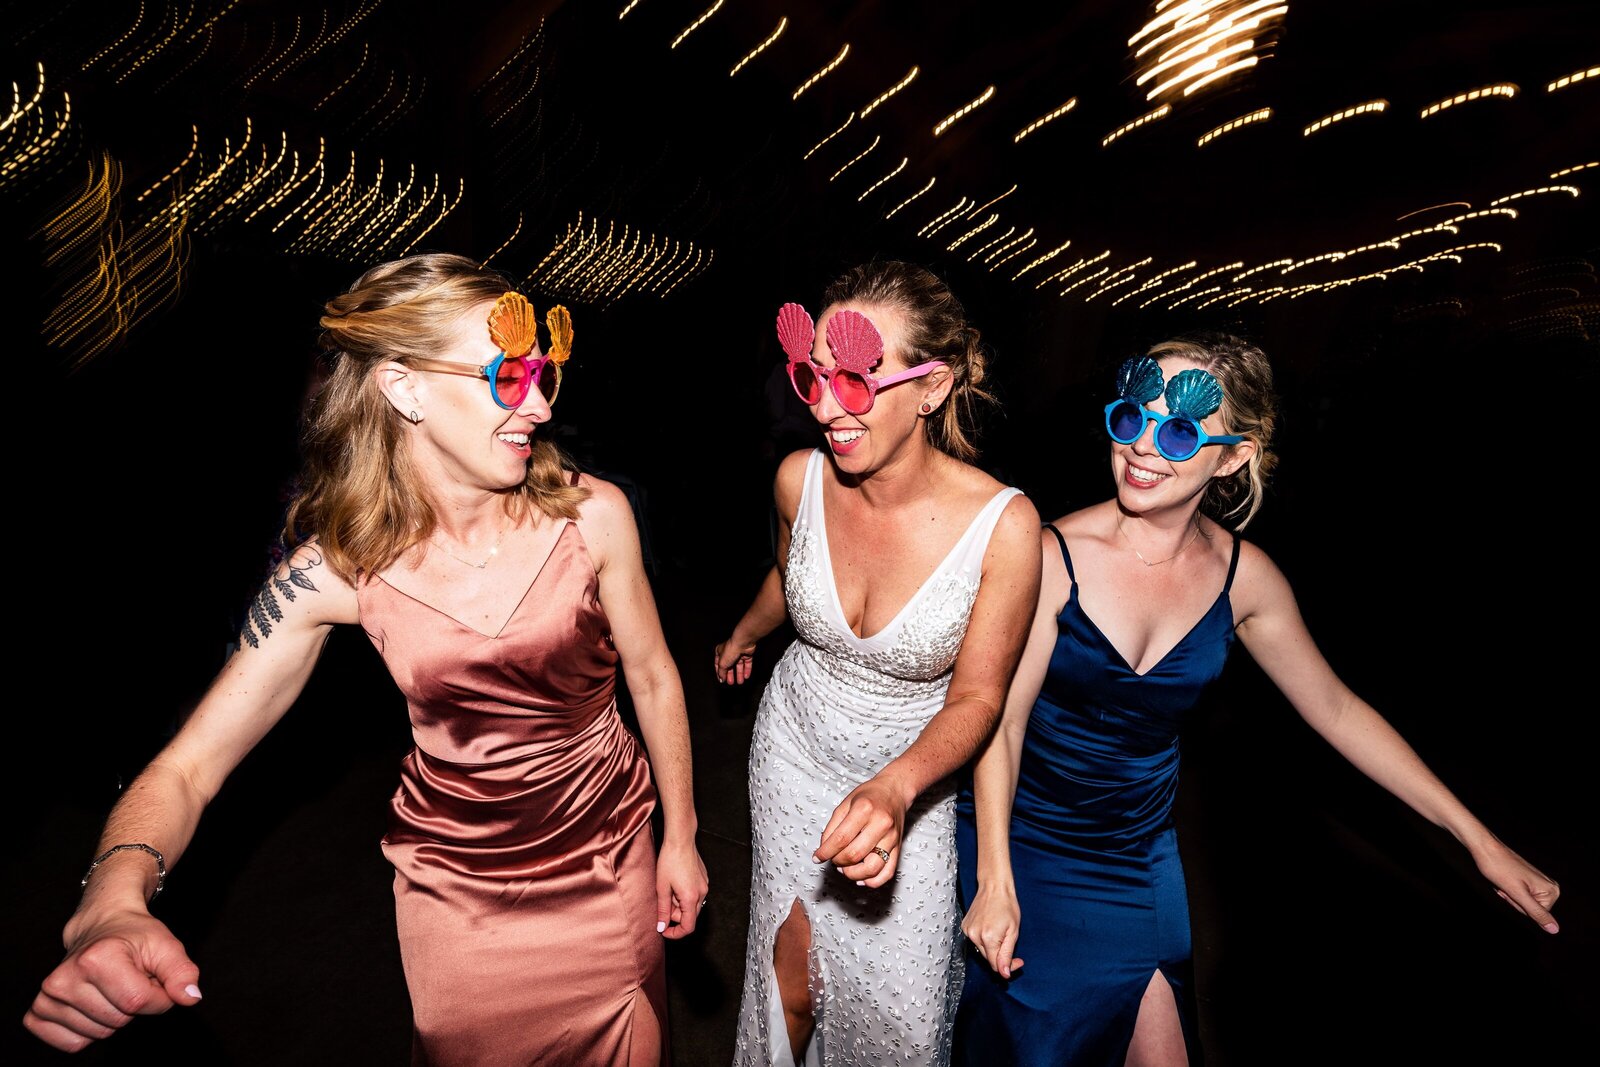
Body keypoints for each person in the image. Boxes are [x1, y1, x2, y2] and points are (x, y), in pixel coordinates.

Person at [23, 253, 708, 1066]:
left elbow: (655, 674)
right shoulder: (332, 573)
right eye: (505, 376)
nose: (536, 403)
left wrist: (682, 833)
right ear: (403, 388)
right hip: (463, 901)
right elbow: (189, 765)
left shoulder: (594, 515)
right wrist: (110, 898)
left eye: (543, 374)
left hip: (610, 859)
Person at [954, 332, 1562, 1066]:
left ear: (1233, 455)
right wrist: (995, 878)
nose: (1144, 447)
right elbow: (1003, 722)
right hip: (1021, 841)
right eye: (1130, 419)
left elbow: (1338, 710)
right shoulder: (1051, 553)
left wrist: (1480, 841)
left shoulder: (1247, 579)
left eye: (1178, 430)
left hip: (1138, 857)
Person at [714, 261, 1042, 1066]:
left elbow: (979, 698)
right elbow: (790, 582)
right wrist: (745, 633)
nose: (824, 405)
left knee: (897, 1016)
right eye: (811, 376)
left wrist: (898, 787)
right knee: (786, 975)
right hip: (792, 752)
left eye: (857, 381)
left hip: (913, 783)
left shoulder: (1004, 527)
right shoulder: (799, 478)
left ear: (932, 389)